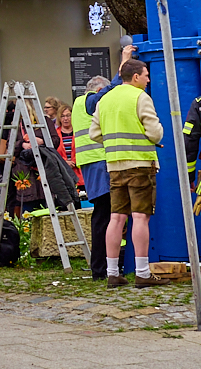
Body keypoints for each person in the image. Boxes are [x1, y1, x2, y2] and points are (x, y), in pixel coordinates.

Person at [91, 59, 170, 287]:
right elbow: (155, 133)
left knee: (116, 218)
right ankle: (142, 273)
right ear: (135, 77)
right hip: (140, 165)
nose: (148, 80)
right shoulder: (140, 97)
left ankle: (112, 273)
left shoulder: (105, 99)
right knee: (140, 216)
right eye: (146, 75)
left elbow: (94, 133)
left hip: (115, 166)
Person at [76, 75, 113, 280]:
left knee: (103, 215)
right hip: (101, 162)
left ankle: (102, 266)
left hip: (90, 163)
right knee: (104, 215)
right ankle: (101, 268)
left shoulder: (78, 103)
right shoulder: (91, 101)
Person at [58, 104, 81, 187]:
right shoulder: (55, 134)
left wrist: (73, 162)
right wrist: (65, 162)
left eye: (68, 115)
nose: (65, 119)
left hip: (79, 172)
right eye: (62, 116)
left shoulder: (78, 131)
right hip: (62, 172)